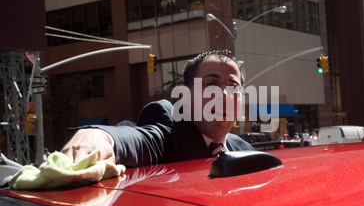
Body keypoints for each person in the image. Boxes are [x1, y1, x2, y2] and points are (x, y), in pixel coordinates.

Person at [62, 50, 254, 167]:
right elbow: (143, 140)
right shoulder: (171, 128)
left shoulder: (244, 150)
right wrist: (98, 137)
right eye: (211, 84)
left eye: (233, 86)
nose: (224, 94)